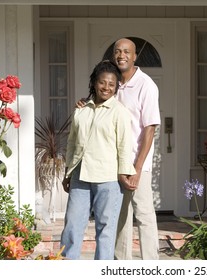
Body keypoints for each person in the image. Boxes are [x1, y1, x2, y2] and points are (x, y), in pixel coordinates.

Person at [77, 38, 161, 260]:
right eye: (117, 51)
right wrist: (83, 104)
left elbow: (150, 129)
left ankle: (152, 266)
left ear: (135, 57)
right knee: (120, 216)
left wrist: (137, 167)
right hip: (112, 162)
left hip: (136, 162)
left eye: (126, 52)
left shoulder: (146, 85)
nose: (121, 55)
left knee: (144, 215)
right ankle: (121, 265)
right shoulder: (112, 82)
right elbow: (96, 105)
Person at [61, 60, 136, 260]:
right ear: (95, 82)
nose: (107, 88)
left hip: (108, 179)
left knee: (106, 229)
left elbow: (124, 145)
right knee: (72, 225)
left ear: (116, 87)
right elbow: (72, 143)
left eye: (112, 84)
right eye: (103, 82)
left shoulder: (119, 112)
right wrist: (68, 171)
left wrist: (123, 173)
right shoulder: (81, 109)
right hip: (80, 175)